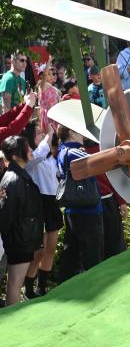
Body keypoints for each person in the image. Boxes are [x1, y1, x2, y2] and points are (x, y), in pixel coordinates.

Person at [56, 125, 104, 282]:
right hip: (87, 211)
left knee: (71, 254)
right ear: (71, 133)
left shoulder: (62, 150)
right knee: (92, 256)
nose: (83, 133)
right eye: (78, 130)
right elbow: (98, 161)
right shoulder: (74, 151)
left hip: (73, 210)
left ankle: (66, 288)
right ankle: (96, 287)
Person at [0, 135, 44, 306]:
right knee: (15, 284)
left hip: (21, 237)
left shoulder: (18, 175)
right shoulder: (13, 179)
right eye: (27, 147)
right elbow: (6, 216)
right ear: (16, 155)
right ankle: (13, 319)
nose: (31, 150)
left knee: (14, 283)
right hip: (19, 239)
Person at [23, 123, 60, 297]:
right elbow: (35, 157)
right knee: (38, 251)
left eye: (42, 132)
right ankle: (28, 289)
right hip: (38, 204)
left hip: (51, 203)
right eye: (38, 132)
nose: (42, 134)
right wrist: (50, 134)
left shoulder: (49, 156)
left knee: (50, 248)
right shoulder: (31, 157)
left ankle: (42, 287)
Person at [37, 64, 61, 132]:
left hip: (55, 115)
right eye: (48, 74)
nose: (51, 76)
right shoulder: (42, 86)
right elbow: (44, 75)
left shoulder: (52, 87)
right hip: (48, 116)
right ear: (42, 76)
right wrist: (49, 61)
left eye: (52, 74)